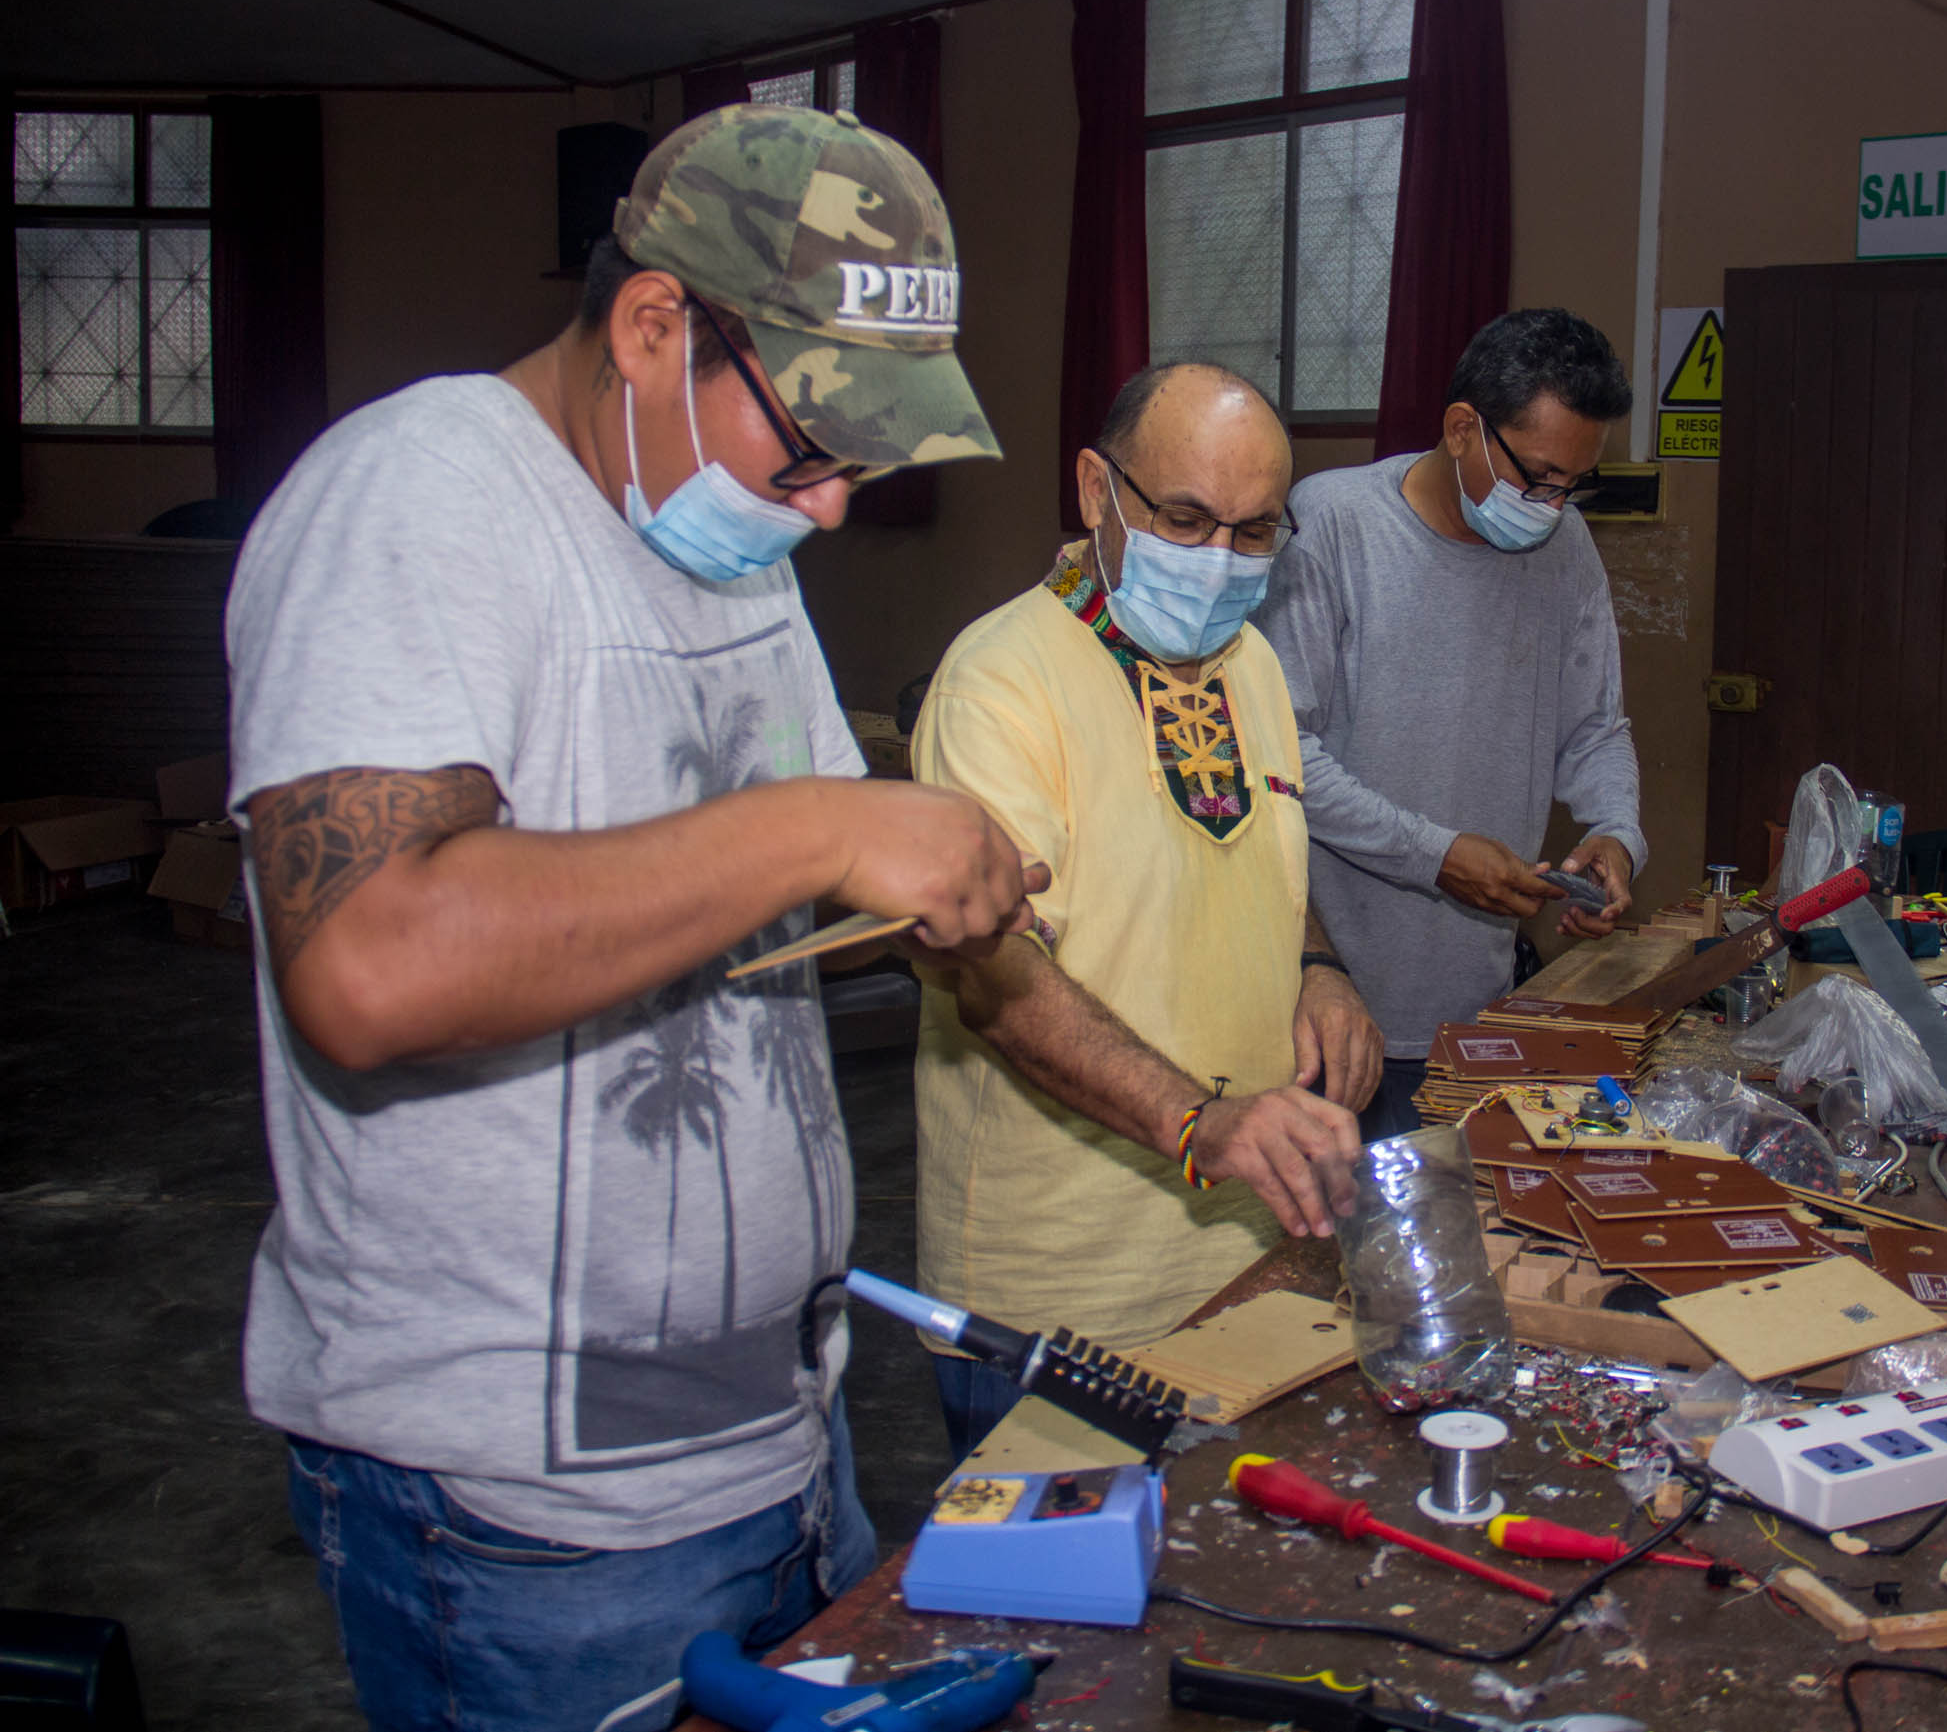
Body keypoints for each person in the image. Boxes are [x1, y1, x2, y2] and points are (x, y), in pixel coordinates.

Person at [225, 105, 1040, 1732]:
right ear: (653, 324)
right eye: (808, 449)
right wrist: (825, 822)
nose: (824, 509)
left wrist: (921, 873)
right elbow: (369, 963)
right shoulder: (414, 498)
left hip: (773, 1440)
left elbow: (765, 876)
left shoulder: (725, 544)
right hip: (530, 1513)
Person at [905, 362, 1380, 1454]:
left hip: (1243, 1258)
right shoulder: (998, 682)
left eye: (1254, 531)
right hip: (1059, 1296)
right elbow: (996, 981)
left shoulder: (1249, 662)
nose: (1217, 559)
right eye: (1184, 517)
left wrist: (1320, 968)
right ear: (1094, 488)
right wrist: (1194, 1121)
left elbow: (1262, 856)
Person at [1256, 309, 1646, 1139]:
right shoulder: (1332, 526)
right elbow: (1281, 756)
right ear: (1462, 429)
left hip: (1483, 1007)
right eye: (1539, 477)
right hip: (1330, 1010)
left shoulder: (1566, 548)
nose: (1553, 505)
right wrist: (1434, 856)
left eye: (1576, 485)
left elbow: (1595, 728)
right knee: (1333, 1254)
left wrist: (1615, 834)